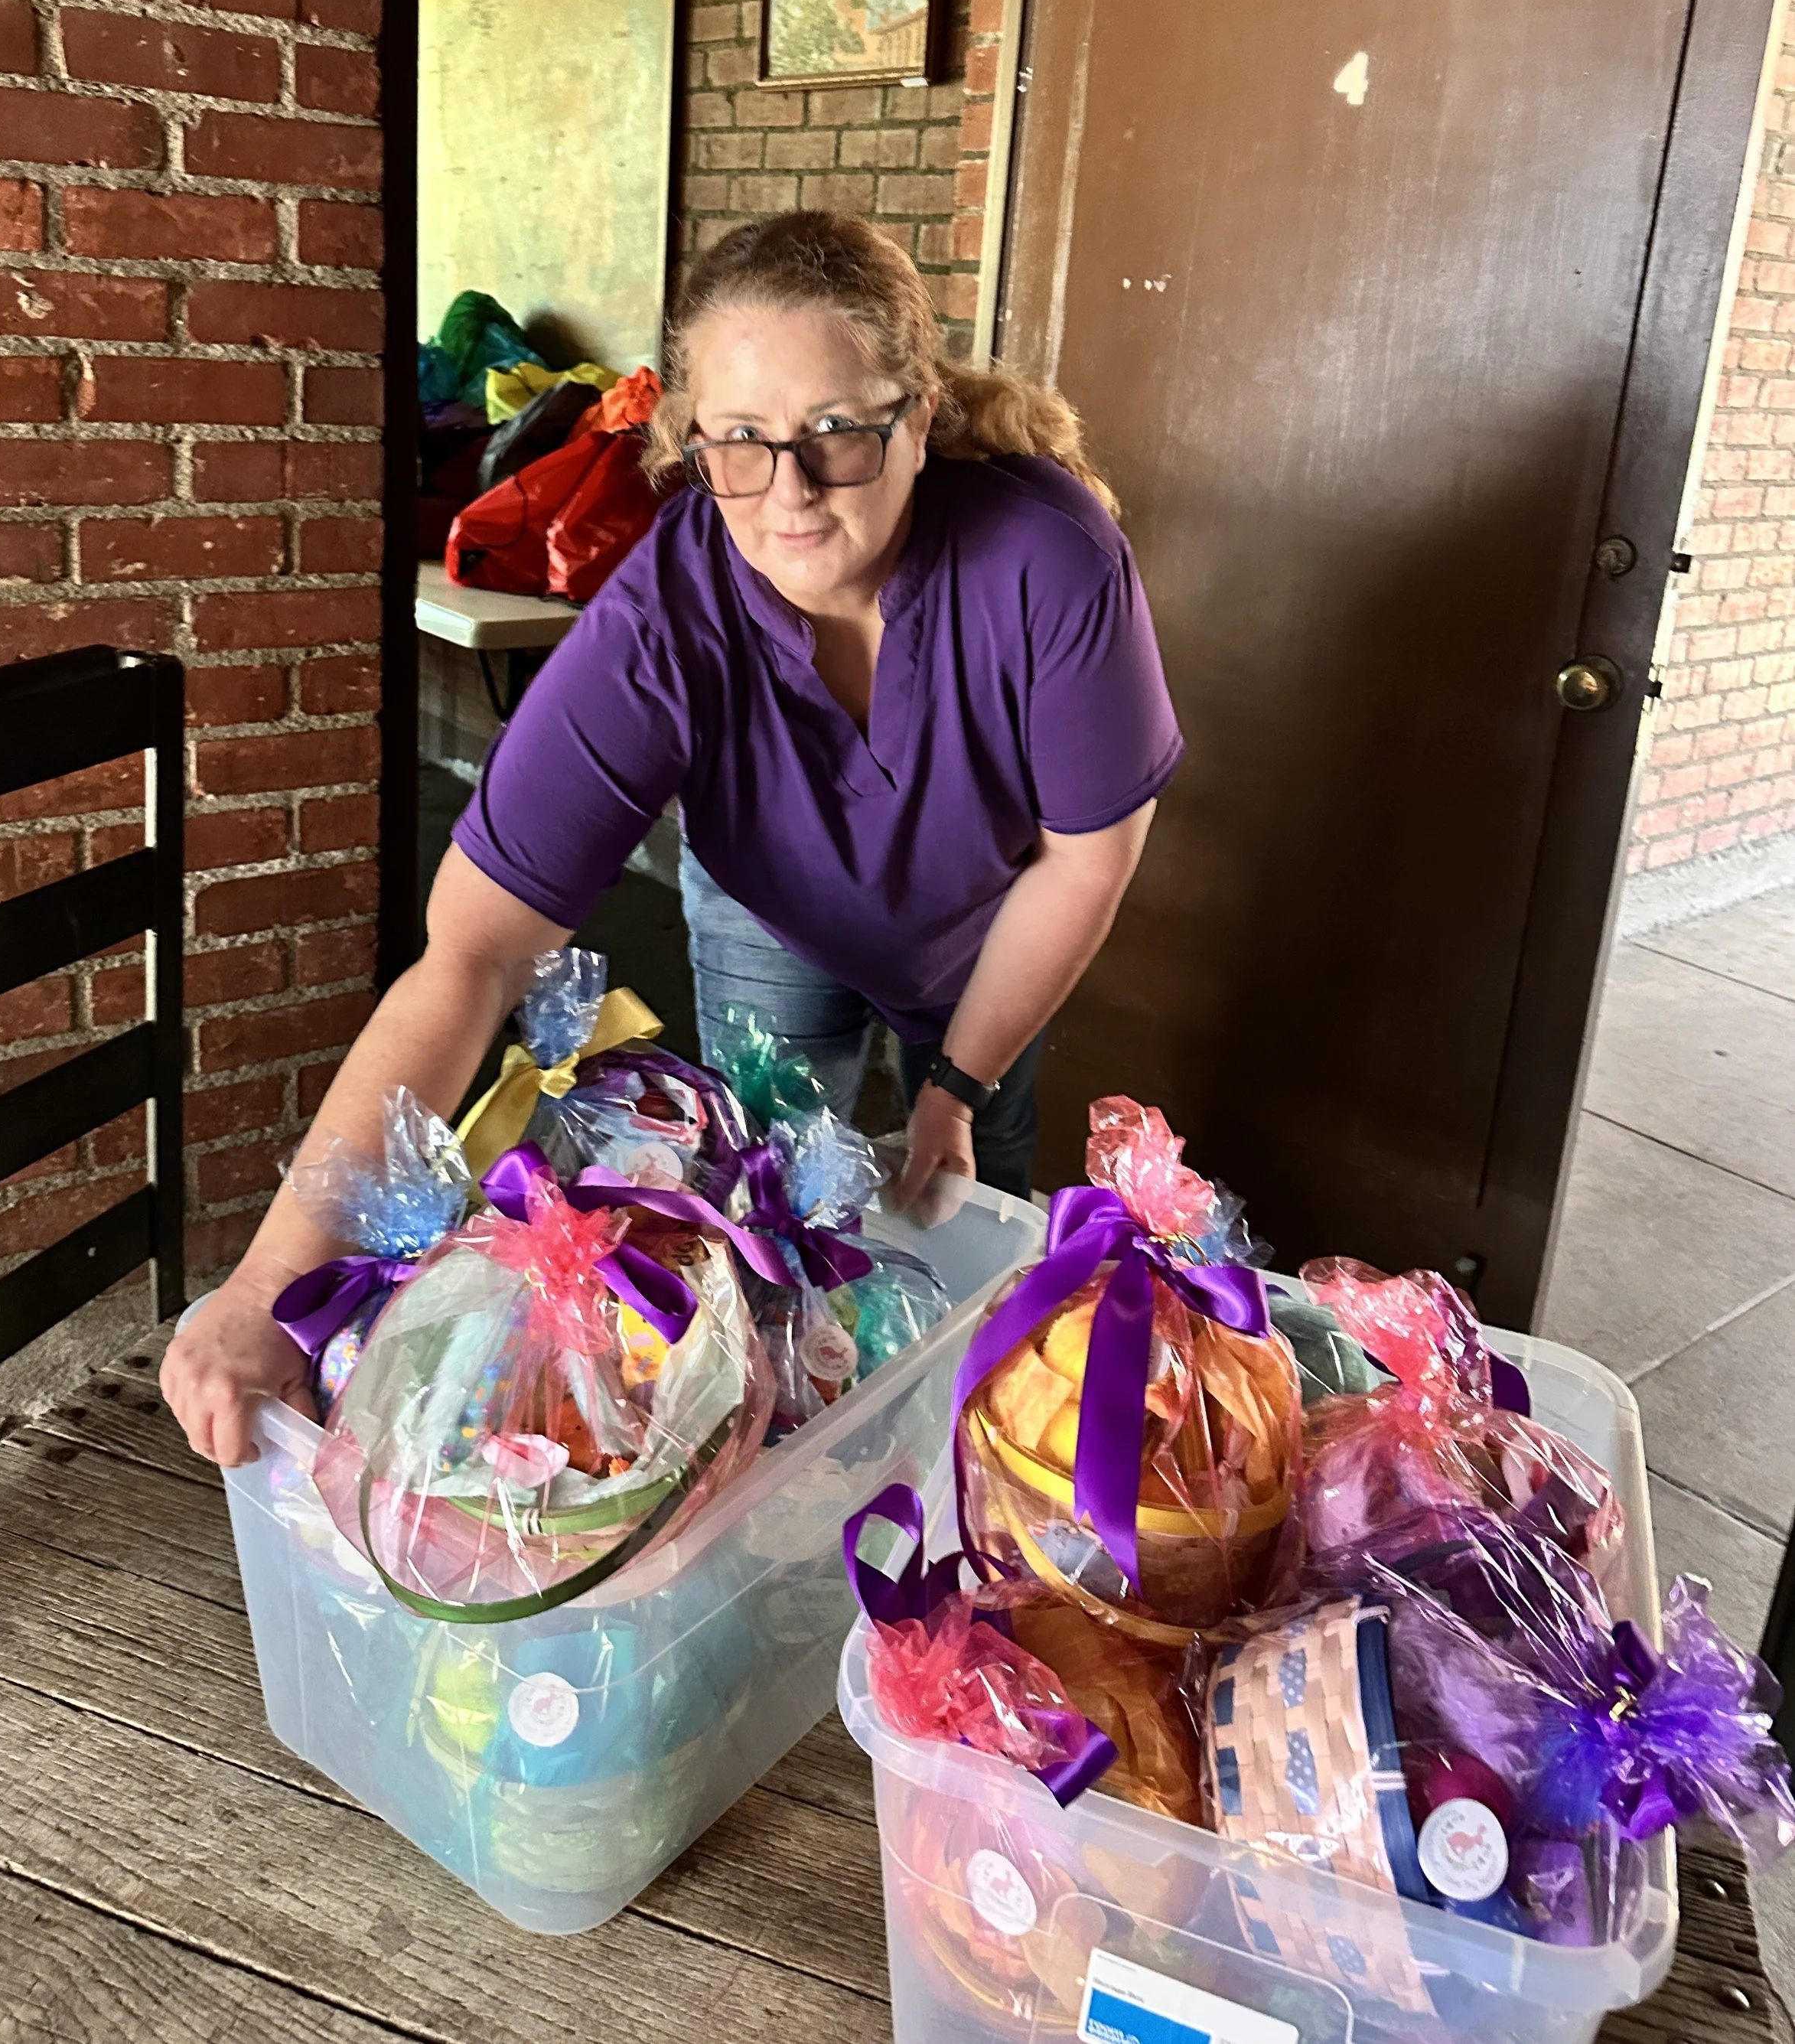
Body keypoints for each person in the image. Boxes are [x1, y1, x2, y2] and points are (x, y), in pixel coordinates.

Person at [163, 211, 1182, 1465]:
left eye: (838, 436)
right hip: (775, 903)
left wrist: (958, 1089)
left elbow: (1087, 854)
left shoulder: (1050, 557)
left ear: (916, 419)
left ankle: (965, 1457)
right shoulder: (666, 616)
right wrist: (268, 1290)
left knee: (971, 1195)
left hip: (990, 923)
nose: (790, 495)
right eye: (742, 444)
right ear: (692, 438)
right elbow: (474, 953)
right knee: (771, 1220)